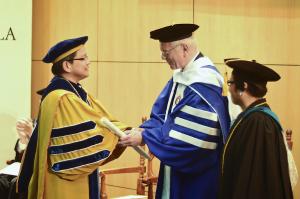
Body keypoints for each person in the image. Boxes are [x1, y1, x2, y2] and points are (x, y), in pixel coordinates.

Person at [119, 24, 230, 199]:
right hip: (177, 168)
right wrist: (143, 130)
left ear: (184, 48)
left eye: (166, 53)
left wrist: (146, 137)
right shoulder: (182, 76)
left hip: (196, 174)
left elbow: (190, 138)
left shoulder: (204, 83)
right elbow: (162, 115)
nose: (164, 58)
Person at [17, 36, 129, 199]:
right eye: (83, 58)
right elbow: (86, 139)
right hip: (63, 180)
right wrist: (121, 135)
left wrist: (128, 130)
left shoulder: (78, 94)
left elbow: (103, 120)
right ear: (67, 65)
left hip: (80, 176)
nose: (89, 62)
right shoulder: (61, 98)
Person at [219, 59, 294, 199]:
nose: (228, 89)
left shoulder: (258, 123)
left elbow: (252, 182)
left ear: (243, 87)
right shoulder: (252, 118)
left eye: (231, 83)